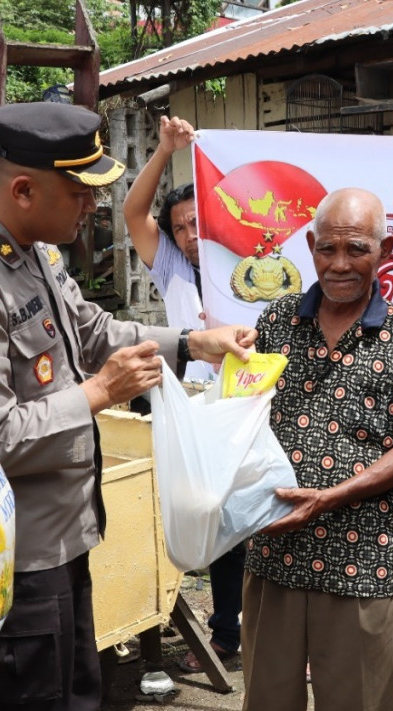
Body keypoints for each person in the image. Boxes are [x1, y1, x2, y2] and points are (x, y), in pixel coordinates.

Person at [0, 101, 256, 711]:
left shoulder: (36, 251)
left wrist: (193, 342)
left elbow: (93, 331)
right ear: (23, 190)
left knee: (80, 695)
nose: (91, 206)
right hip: (18, 563)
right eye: (78, 193)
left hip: (67, 540)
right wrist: (98, 393)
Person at [240, 188, 393, 711]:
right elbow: (244, 416)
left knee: (357, 701)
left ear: (386, 249)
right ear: (310, 246)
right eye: (327, 249)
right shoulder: (276, 321)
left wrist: (329, 498)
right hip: (274, 552)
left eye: (357, 249)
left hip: (361, 561)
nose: (340, 264)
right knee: (267, 698)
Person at [122, 114, 242, 672]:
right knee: (215, 522)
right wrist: (165, 151)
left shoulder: (251, 263)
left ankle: (279, 635)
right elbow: (132, 214)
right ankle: (224, 635)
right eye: (181, 227)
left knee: (264, 520)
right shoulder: (171, 266)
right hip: (195, 414)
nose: (191, 234)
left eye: (198, 222)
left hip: (251, 407)